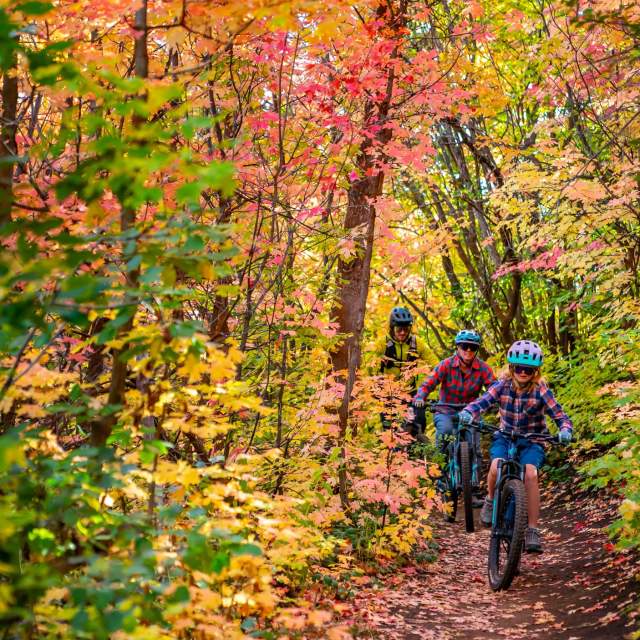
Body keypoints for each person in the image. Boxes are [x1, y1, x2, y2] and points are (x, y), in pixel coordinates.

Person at [458, 339, 573, 553]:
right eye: (519, 368)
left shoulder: (541, 390)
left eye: (528, 369)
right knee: (495, 465)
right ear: (511, 367)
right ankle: (491, 500)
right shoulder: (501, 386)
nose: (523, 372)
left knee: (530, 474)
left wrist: (565, 430)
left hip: (533, 440)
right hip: (504, 436)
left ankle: (532, 529)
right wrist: (468, 413)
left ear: (535, 371)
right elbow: (482, 402)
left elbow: (560, 415)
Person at [413, 330, 496, 466]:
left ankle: (475, 479)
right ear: (457, 347)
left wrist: (495, 401)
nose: (468, 350)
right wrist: (420, 398)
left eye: (473, 347)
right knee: (445, 432)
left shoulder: (483, 368)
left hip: (471, 412)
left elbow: (494, 388)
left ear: (477, 350)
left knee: (474, 444)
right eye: (464, 346)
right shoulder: (446, 364)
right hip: (446, 410)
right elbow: (428, 383)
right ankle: (439, 473)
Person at [375, 306, 428, 431]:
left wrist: (425, 388)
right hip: (388, 393)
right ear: (392, 328)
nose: (403, 333)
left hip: (411, 392)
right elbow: (369, 368)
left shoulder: (417, 343)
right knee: (389, 429)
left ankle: (419, 448)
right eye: (399, 329)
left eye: (406, 329)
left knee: (419, 422)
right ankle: (392, 449)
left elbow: (435, 365)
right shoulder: (381, 344)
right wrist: (374, 390)